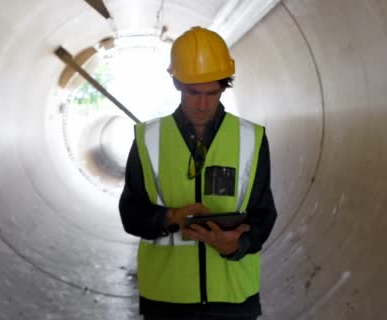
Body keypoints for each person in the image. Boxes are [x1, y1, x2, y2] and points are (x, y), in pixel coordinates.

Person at [118, 26, 277, 320]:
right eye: (193, 93)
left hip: (233, 299)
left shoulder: (251, 138)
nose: (202, 104)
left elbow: (264, 214)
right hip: (167, 300)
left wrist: (238, 244)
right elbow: (130, 213)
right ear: (177, 83)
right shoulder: (148, 138)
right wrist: (170, 218)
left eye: (212, 93)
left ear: (224, 87)